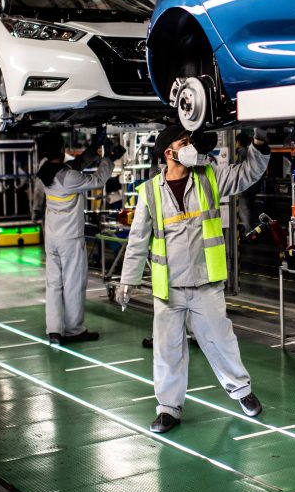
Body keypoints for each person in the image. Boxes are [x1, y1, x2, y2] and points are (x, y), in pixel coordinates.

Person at [118, 124, 271, 433]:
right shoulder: (150, 191)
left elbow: (248, 172)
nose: (190, 147)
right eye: (184, 142)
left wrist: (260, 142)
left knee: (221, 341)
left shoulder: (208, 179)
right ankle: (168, 409)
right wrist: (127, 280)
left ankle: (241, 392)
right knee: (167, 350)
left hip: (205, 282)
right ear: (168, 151)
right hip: (168, 289)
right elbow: (138, 240)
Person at [36, 130, 124, 345]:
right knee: (74, 282)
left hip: (53, 237)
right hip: (70, 238)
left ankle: (54, 330)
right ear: (62, 149)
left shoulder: (45, 170)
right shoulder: (69, 177)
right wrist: (108, 159)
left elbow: (75, 166)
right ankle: (74, 329)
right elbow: (98, 179)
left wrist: (93, 150)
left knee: (54, 284)